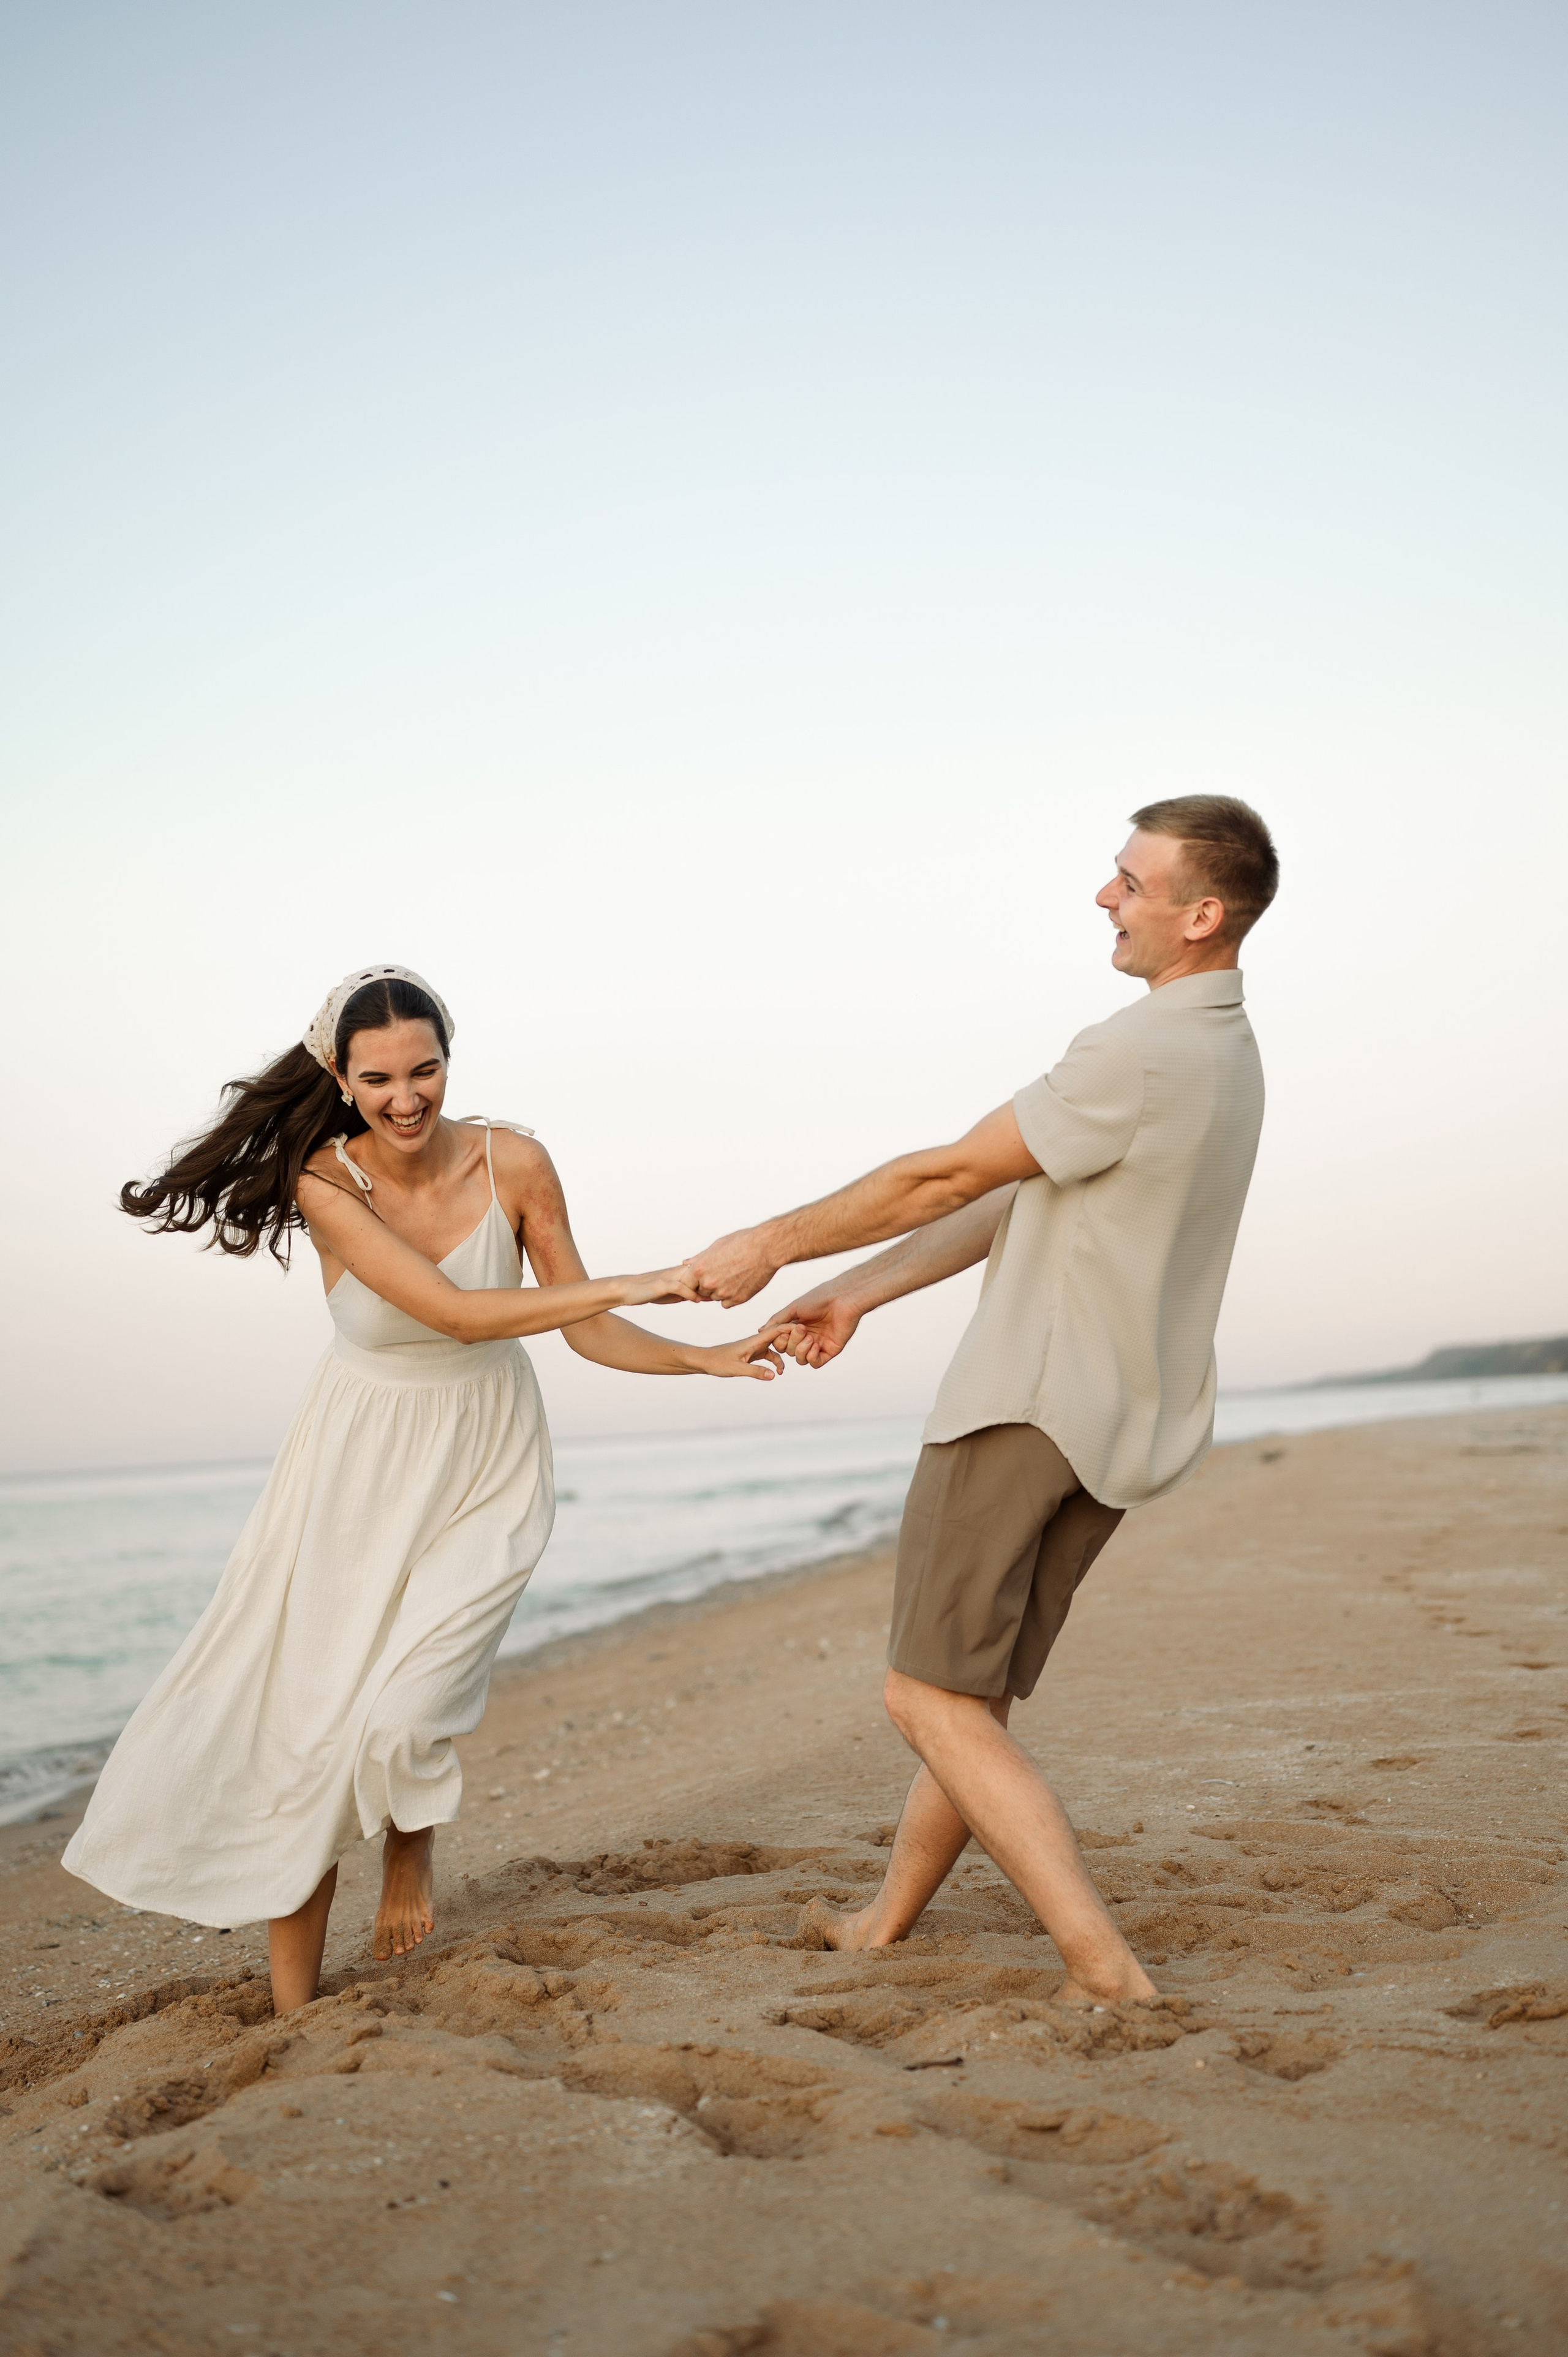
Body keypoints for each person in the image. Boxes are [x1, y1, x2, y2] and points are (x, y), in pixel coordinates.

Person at [64, 965, 786, 2013]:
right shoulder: (325, 1183)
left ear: (450, 1059)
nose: (405, 1099)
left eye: (425, 1071)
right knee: (307, 1731)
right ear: (339, 1077)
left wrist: (704, 1358)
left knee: (408, 1711)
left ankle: (411, 1841)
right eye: (378, 1080)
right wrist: (651, 1276)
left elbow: (580, 1327)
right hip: (351, 1472)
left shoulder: (516, 1163)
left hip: (486, 1456)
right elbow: (455, 1313)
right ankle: (295, 2012)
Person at [687, 798, 1276, 2006]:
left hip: (1025, 1406)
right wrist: (857, 1290)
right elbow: (1016, 1192)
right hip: (1116, 1421)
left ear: (1200, 914)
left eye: (1130, 881)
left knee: (921, 1696)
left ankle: (1100, 1967)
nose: (1104, 896)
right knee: (971, 1695)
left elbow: (946, 1171)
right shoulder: (1226, 1054)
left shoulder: (1135, 1049)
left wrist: (774, 1243)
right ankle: (883, 1923)